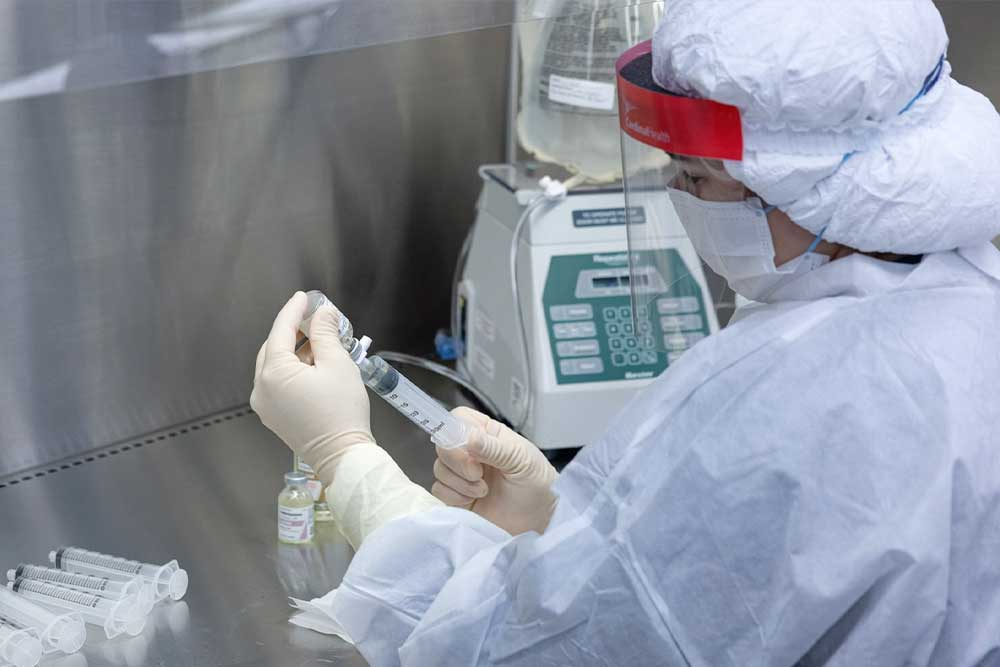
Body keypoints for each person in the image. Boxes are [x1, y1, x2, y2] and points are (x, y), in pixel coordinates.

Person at [251, 1, 1000, 664]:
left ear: (815, 185)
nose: (678, 196)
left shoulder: (788, 407)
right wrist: (563, 518)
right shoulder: (961, 295)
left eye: (698, 180)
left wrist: (349, 462)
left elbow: (513, 645)